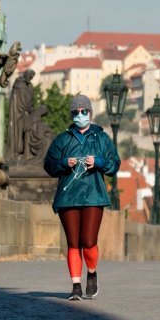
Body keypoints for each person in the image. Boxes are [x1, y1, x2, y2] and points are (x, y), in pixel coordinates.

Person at [43, 95, 120, 301]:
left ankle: (92, 272)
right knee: (73, 243)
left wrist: (99, 161)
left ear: (90, 113)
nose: (79, 115)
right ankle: (76, 285)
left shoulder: (101, 138)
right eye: (75, 112)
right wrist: (63, 163)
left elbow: (115, 164)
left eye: (83, 111)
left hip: (94, 194)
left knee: (88, 241)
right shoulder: (63, 139)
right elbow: (48, 165)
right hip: (68, 196)